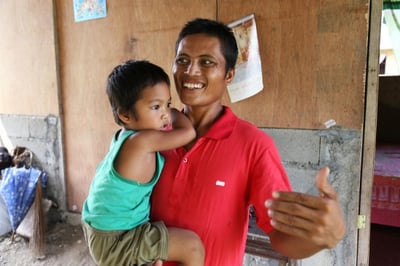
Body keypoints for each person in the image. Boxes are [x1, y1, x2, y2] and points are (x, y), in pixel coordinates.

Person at [150, 18, 346, 265]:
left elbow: (280, 236)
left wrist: (323, 237)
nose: (191, 71)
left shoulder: (253, 145)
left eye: (206, 62)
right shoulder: (154, 133)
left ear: (229, 75)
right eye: (183, 60)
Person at [81, 60, 205, 266]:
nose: (165, 113)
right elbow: (188, 133)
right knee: (192, 246)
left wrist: (162, 110)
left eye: (167, 103)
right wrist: (175, 112)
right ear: (125, 115)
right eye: (156, 107)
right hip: (116, 238)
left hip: (104, 230)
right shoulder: (141, 142)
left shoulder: (124, 135)